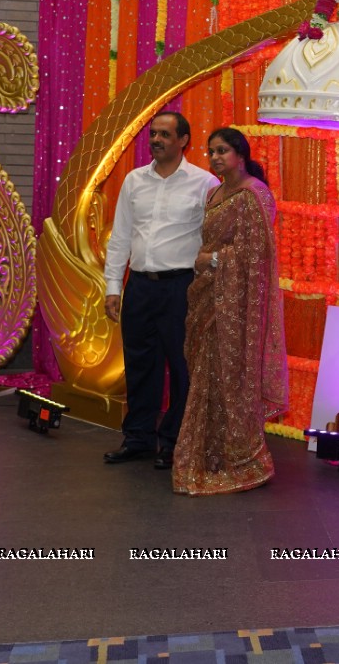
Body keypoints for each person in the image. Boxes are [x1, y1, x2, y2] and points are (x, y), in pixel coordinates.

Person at [173, 127, 288, 495]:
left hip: (239, 306)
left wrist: (214, 259)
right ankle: (208, 455)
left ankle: (243, 458)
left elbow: (257, 256)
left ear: (241, 154)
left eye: (222, 151)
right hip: (208, 298)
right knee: (206, 376)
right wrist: (206, 263)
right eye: (211, 152)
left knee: (232, 375)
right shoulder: (214, 193)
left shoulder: (255, 195)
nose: (215, 157)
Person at [102, 111, 218, 468]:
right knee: (139, 365)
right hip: (139, 285)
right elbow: (120, 237)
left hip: (181, 288)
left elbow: (213, 238)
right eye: (153, 134)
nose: (156, 140)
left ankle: (174, 442)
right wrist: (112, 287)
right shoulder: (134, 181)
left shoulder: (205, 183)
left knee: (182, 367)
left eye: (165, 134)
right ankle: (138, 438)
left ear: (183, 140)